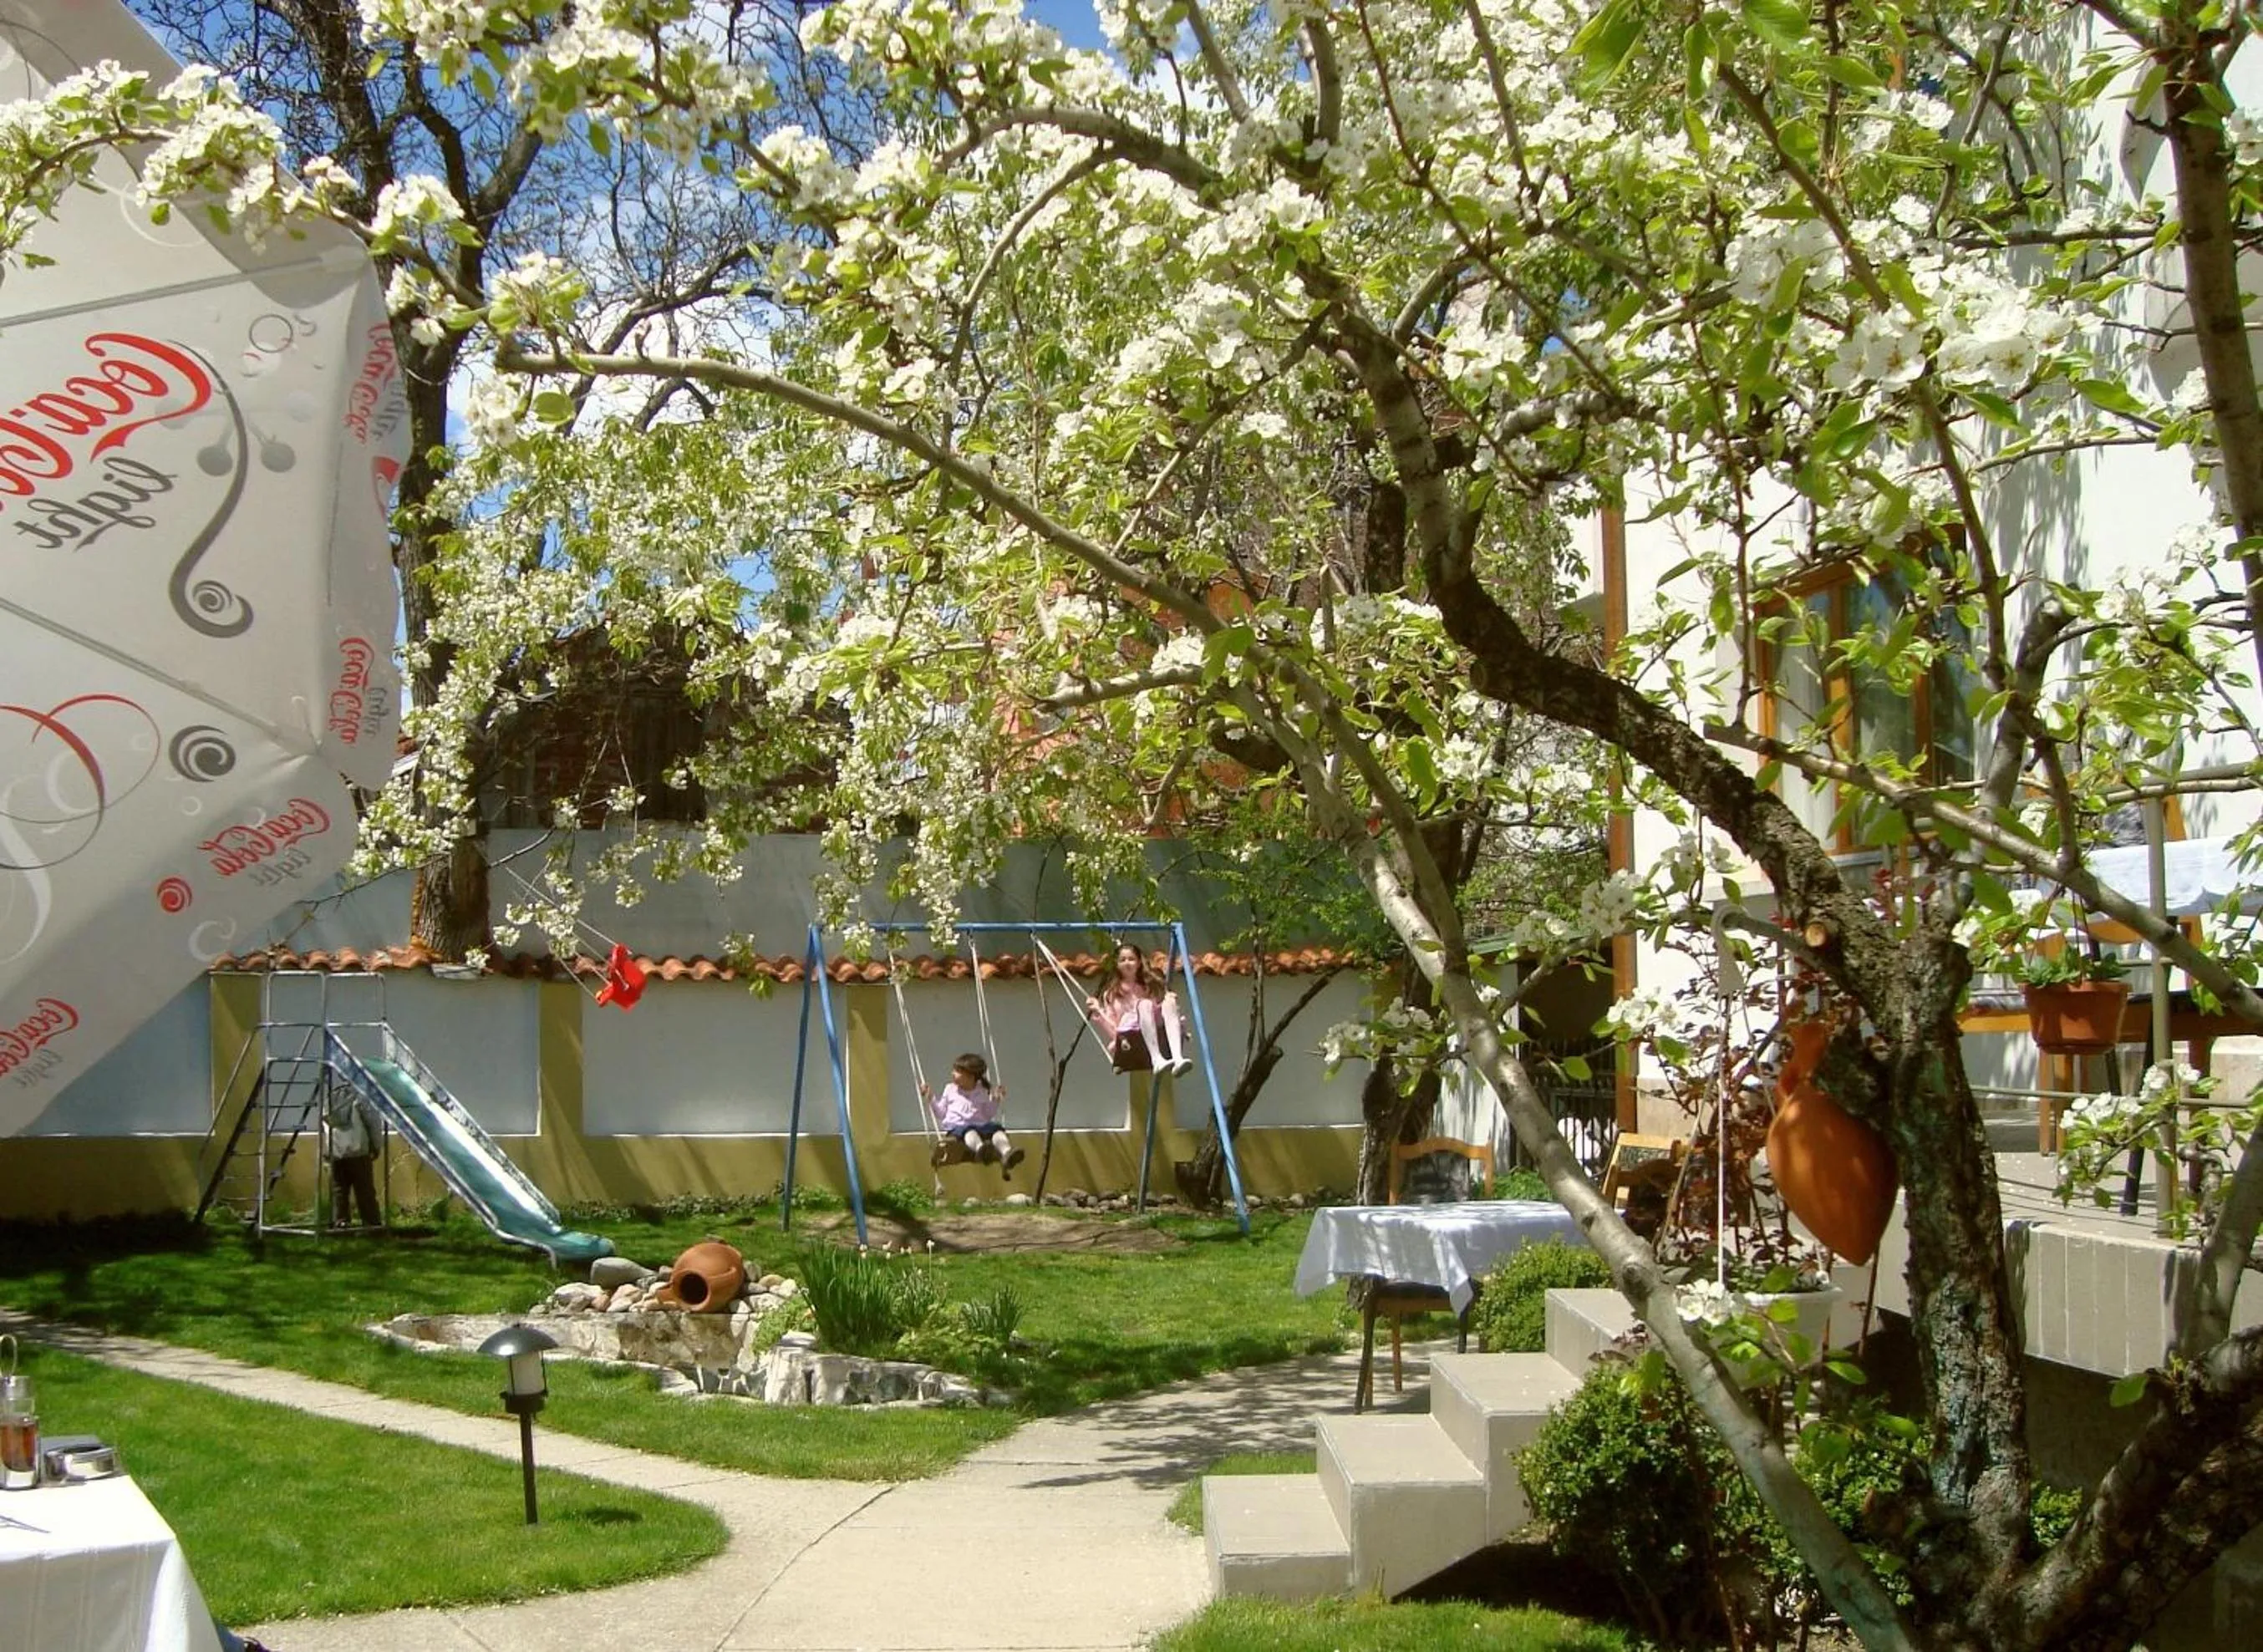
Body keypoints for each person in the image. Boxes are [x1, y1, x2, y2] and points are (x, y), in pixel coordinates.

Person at [1086, 943, 1192, 1074]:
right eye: (1122, 960)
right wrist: (1099, 1010)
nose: (1127, 963)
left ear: (1139, 963)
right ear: (1117, 965)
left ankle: (1178, 1058)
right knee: (1144, 1004)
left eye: (1131, 959)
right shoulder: (1112, 994)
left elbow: (1163, 1010)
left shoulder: (1150, 985)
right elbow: (1114, 1030)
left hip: (1155, 1028)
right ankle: (1156, 1059)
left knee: (1168, 1002)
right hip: (1130, 1036)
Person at [921, 1052, 1025, 1177]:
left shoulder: (982, 1091)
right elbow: (941, 1113)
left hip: (982, 1126)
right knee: (970, 1132)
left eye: (957, 1071)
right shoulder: (950, 1089)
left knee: (997, 1131)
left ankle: (1007, 1153)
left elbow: (987, 1114)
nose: (952, 1073)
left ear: (970, 1076)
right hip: (958, 1128)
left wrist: (995, 1100)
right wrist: (931, 1098)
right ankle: (981, 1150)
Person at [324, 1080, 383, 1229]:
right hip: (358, 1149)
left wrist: (327, 1151)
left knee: (339, 1190)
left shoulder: (330, 1097)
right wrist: (376, 1145)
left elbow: (325, 1124)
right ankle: (371, 1223)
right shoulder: (362, 1096)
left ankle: (340, 1221)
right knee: (365, 1190)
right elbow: (373, 1122)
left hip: (336, 1150)